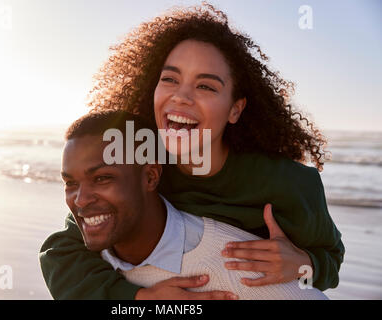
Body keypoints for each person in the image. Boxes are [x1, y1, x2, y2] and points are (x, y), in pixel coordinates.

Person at [39, 3, 344, 299]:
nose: (181, 96)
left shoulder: (288, 183)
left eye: (206, 86)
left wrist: (306, 264)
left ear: (235, 109)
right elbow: (63, 250)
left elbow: (330, 258)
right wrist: (137, 298)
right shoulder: (139, 162)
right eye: (170, 79)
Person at [59, 110, 327, 300]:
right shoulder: (84, 262)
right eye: (70, 183)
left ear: (151, 176)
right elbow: (56, 251)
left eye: (102, 178)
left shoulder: (242, 272)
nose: (80, 200)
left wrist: (310, 263)